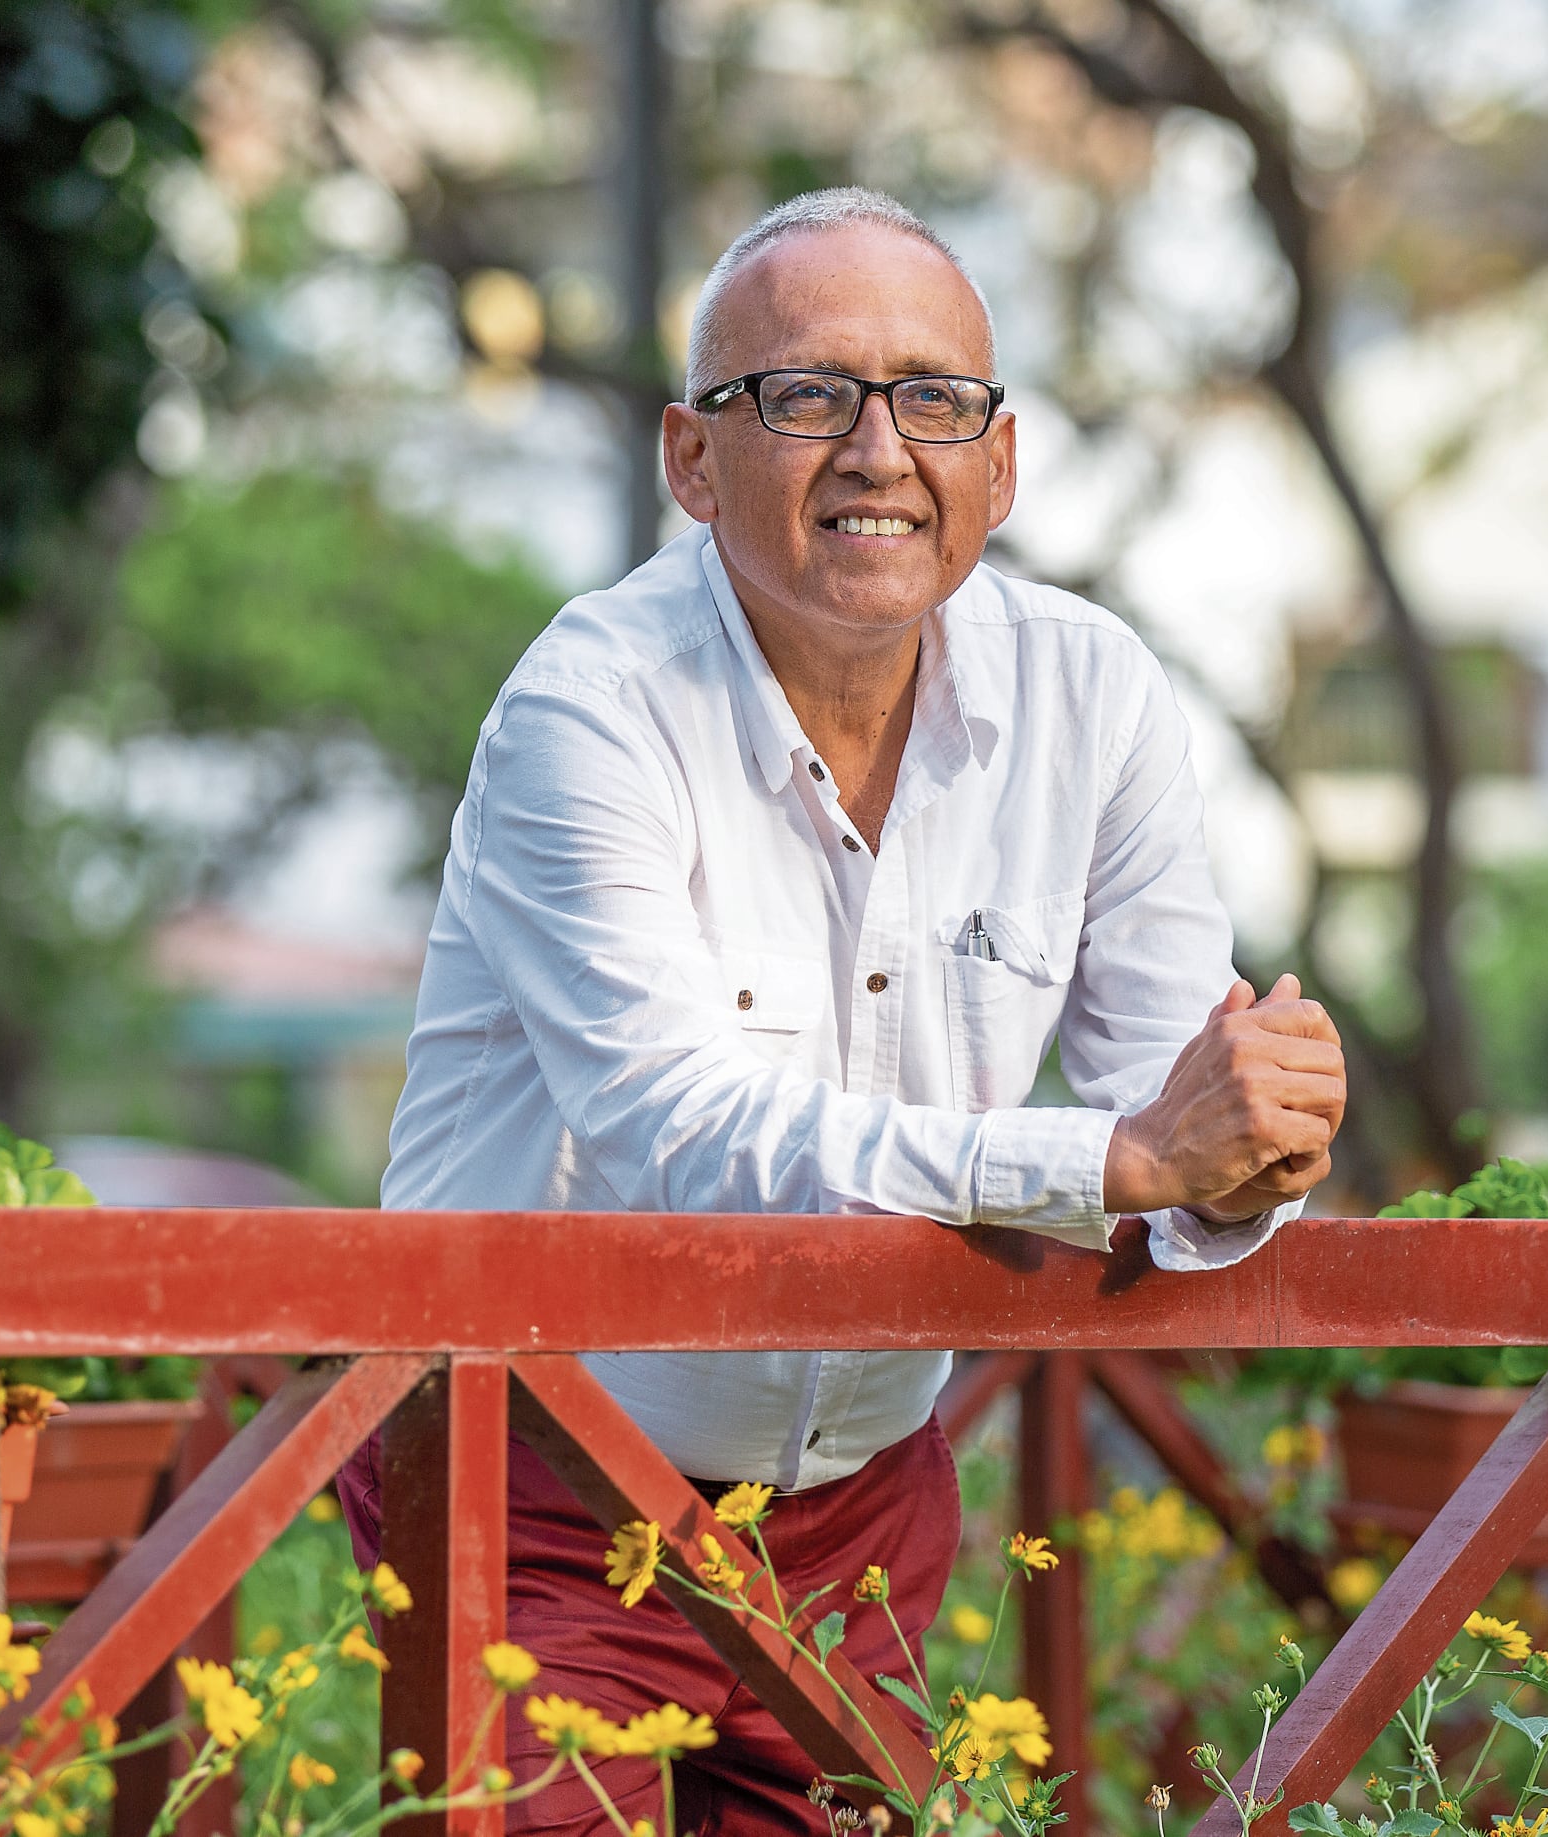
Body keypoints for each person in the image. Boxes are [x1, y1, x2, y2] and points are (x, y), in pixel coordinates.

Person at [339, 186, 1348, 1837]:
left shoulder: (1095, 695)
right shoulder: (584, 706)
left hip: (862, 1511)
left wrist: (1261, 1138)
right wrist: (1129, 1155)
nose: (880, 449)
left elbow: (1179, 1131)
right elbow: (680, 1130)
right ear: (688, 457)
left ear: (999, 467)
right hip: (539, 1482)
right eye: (807, 395)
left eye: (934, 399)